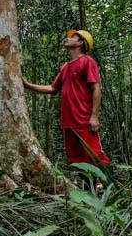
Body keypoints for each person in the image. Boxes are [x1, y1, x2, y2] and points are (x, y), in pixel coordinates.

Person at [23, 30, 111, 179]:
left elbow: (96, 88)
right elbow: (53, 88)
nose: (68, 39)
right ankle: (87, 190)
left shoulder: (87, 61)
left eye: (73, 37)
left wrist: (94, 116)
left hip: (84, 120)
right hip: (68, 122)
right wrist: (27, 85)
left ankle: (110, 188)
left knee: (96, 155)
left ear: (81, 42)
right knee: (76, 159)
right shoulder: (65, 67)